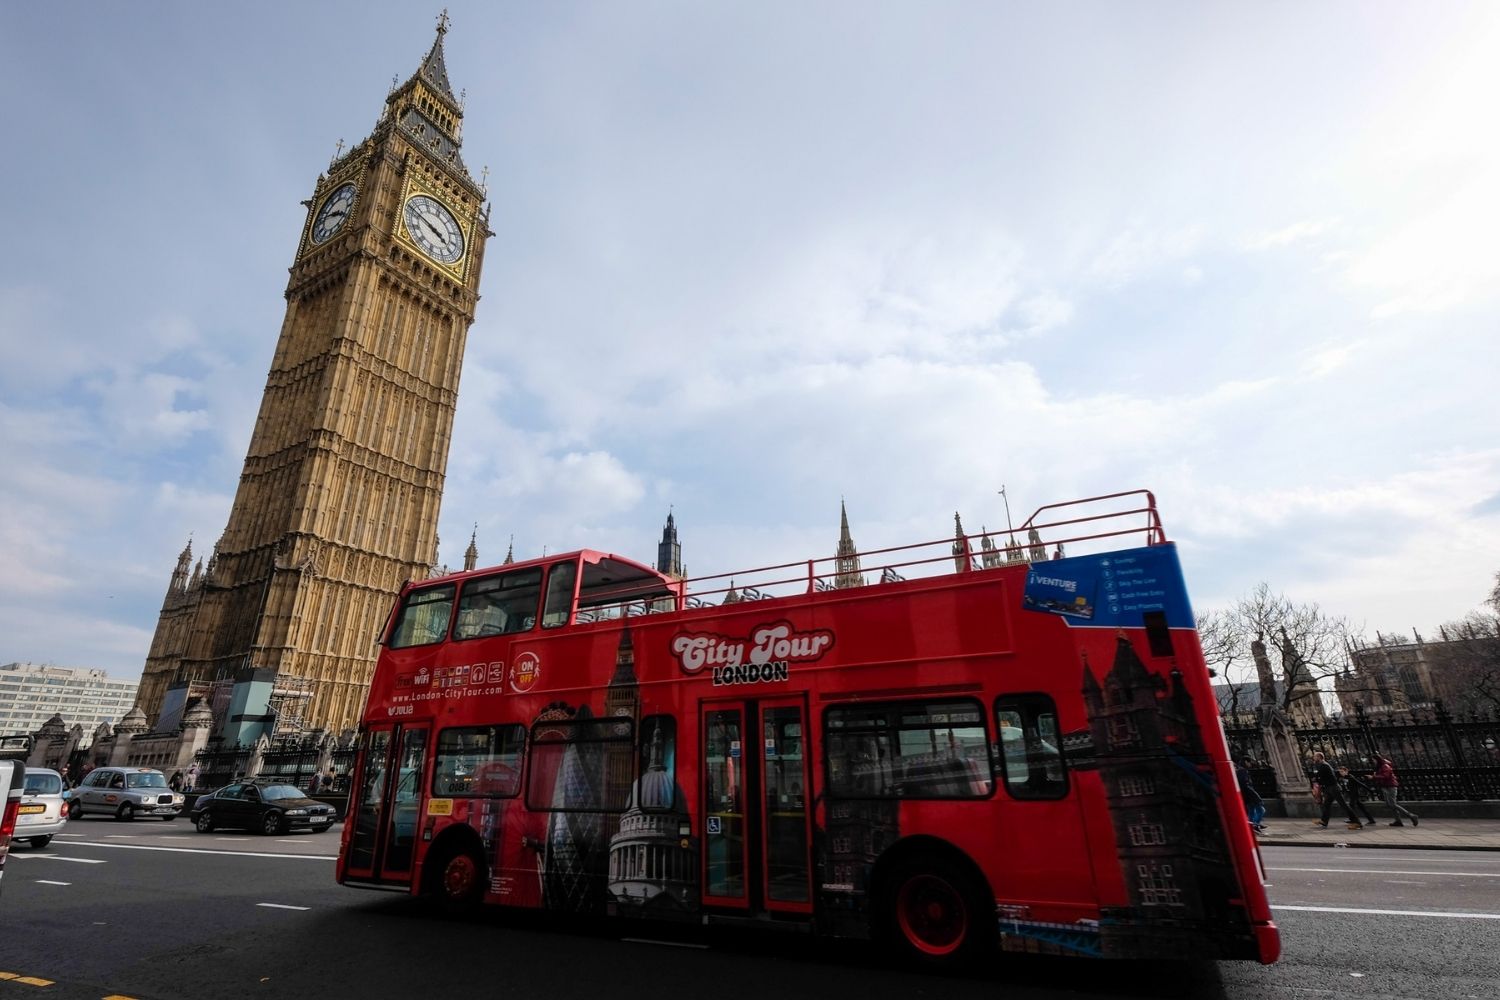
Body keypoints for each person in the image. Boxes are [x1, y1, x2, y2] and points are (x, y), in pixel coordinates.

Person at [1310, 751, 1362, 829]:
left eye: (1315, 757)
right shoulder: (1322, 765)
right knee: (1326, 805)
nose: (1313, 758)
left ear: (1319, 757)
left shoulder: (1324, 765)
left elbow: (1319, 776)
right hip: (1329, 788)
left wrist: (1316, 779)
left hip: (1333, 788)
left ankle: (1357, 822)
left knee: (1344, 805)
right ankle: (1324, 821)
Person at [1371, 752, 1419, 827]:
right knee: (1390, 805)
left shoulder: (1385, 766)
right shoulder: (1379, 766)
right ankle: (1398, 821)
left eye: (1373, 760)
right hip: (1385, 786)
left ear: (1377, 760)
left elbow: (1386, 776)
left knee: (1393, 804)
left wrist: (1374, 777)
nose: (1373, 762)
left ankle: (1411, 816)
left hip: (1390, 786)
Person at [1236, 758, 1266, 832]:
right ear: (1246, 762)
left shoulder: (1240, 771)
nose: (1250, 764)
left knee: (1251, 811)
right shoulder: (1243, 771)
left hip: (1247, 796)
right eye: (1249, 762)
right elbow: (1246, 785)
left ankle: (1251, 826)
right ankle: (1255, 825)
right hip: (1250, 795)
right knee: (1261, 810)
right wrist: (1256, 796)